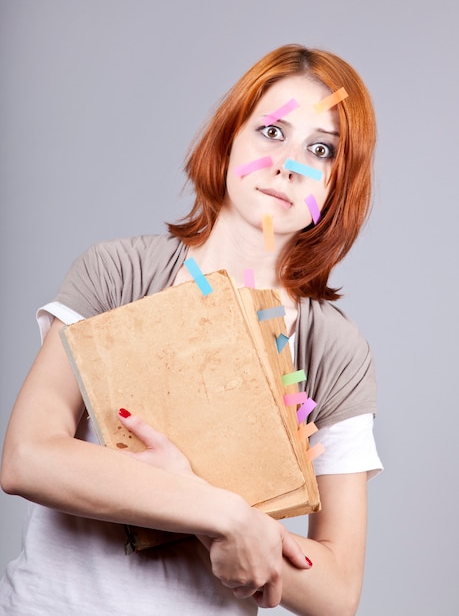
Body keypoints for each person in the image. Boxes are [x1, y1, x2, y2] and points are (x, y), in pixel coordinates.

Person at [0, 43, 382, 615]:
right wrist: (223, 514)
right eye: (273, 132)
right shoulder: (118, 272)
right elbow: (27, 458)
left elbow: (335, 591)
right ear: (230, 137)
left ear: (338, 184)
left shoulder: (333, 349)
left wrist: (229, 529)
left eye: (321, 150)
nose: (289, 165)